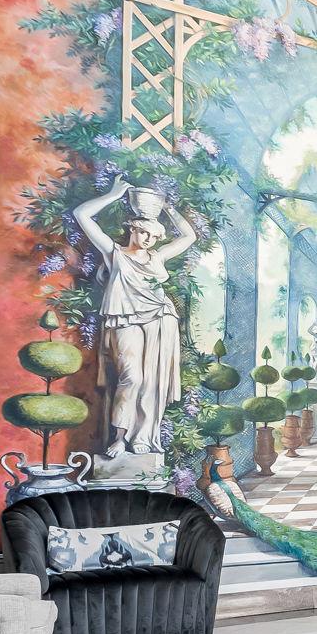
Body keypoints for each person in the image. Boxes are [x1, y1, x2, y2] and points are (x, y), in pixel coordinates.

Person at [71, 178, 197, 460]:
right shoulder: (114, 253)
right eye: (145, 234)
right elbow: (81, 215)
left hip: (159, 318)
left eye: (154, 237)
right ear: (133, 229)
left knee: (152, 381)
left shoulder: (157, 258)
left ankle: (142, 437)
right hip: (124, 319)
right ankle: (120, 437)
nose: (150, 240)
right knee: (132, 377)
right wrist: (114, 195)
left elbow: (189, 237)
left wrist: (168, 208)